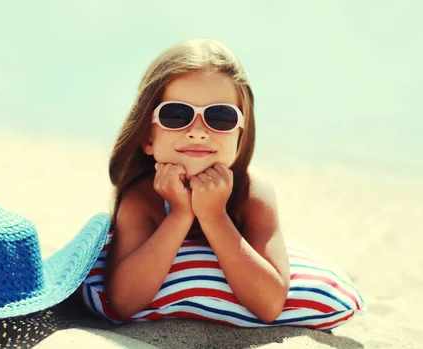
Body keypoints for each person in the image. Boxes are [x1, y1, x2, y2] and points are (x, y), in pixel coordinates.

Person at [104, 38, 290, 324]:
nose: (199, 131)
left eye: (221, 116)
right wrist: (180, 214)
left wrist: (214, 215)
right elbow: (123, 303)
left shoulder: (252, 192)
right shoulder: (143, 198)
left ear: (241, 133)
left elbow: (269, 304)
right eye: (177, 115)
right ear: (147, 136)